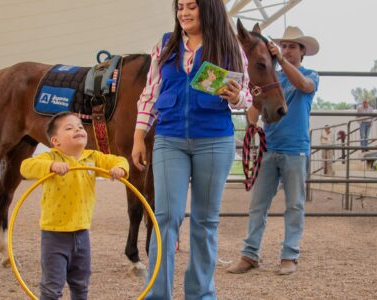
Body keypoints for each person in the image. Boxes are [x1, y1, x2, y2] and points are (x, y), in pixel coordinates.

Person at [131, 0, 252, 298]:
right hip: (169, 138)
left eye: (191, 6)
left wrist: (236, 97)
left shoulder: (229, 46)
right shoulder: (165, 45)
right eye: (180, 6)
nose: (183, 13)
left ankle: (200, 294)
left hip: (214, 139)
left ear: (208, 8)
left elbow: (247, 96)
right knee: (166, 217)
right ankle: (158, 294)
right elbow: (150, 93)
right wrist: (139, 136)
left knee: (205, 221)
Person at [227, 25, 320, 275]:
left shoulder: (311, 74)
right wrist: (250, 111)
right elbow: (253, 112)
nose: (287, 50)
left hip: (295, 149)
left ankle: (289, 255)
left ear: (303, 53)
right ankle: (249, 254)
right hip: (269, 148)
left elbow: (303, 85)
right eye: (284, 46)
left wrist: (278, 58)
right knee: (258, 204)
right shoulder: (270, 76)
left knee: (294, 205)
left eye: (292, 47)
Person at [20, 112, 129, 300]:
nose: (77, 130)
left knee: (80, 284)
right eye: (69, 128)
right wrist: (51, 166)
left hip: (82, 234)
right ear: (56, 141)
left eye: (79, 127)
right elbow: (26, 167)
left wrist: (120, 169)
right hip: (54, 234)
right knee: (52, 286)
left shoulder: (93, 157)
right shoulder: (50, 157)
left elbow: (120, 159)